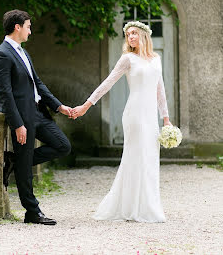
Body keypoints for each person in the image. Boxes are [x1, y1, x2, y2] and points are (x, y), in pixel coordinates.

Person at [71, 21, 171, 223]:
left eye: (134, 33)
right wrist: (85, 105)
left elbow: (160, 91)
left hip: (150, 116)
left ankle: (148, 206)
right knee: (136, 157)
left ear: (144, 35)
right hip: (134, 114)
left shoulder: (156, 59)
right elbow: (107, 83)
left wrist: (166, 119)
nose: (130, 37)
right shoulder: (128, 59)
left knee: (150, 158)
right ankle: (130, 207)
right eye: (127, 35)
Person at [0, 9, 72, 225]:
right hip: (22, 116)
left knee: (62, 145)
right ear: (17, 27)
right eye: (28, 26)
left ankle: (15, 161)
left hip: (38, 112)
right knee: (26, 166)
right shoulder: (1, 54)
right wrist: (17, 124)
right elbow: (5, 94)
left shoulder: (24, 53)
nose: (30, 31)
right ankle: (32, 212)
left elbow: (38, 84)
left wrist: (59, 107)